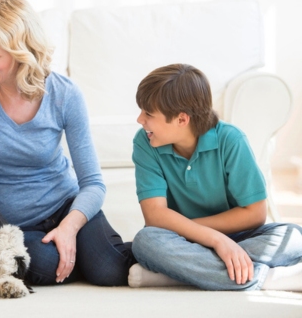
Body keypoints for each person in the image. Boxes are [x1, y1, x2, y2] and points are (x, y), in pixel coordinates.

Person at [0, 0, 135, 286]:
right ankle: (84, 257)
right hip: (15, 226)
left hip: (66, 205)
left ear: (21, 54)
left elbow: (93, 183)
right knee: (43, 265)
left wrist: (69, 228)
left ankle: (131, 252)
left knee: (110, 271)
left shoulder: (65, 95)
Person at [128, 63, 302, 291]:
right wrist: (216, 241)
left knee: (294, 237)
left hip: (232, 236)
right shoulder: (145, 142)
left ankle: (179, 273)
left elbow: (256, 213)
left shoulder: (231, 140)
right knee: (146, 241)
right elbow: (154, 215)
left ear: (182, 119)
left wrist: (214, 238)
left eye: (148, 114)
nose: (140, 119)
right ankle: (263, 278)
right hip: (180, 239)